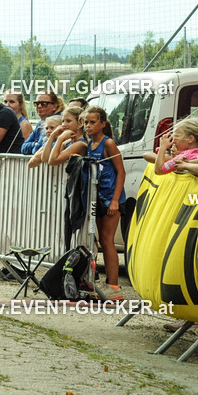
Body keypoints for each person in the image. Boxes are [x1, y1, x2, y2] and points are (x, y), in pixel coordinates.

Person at [53, 106, 126, 299]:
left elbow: (121, 171)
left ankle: (114, 287)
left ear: (103, 123)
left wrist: (115, 201)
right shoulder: (89, 144)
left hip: (110, 197)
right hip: (96, 198)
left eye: (93, 122)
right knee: (97, 240)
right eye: (86, 122)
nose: (88, 126)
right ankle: (94, 281)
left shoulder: (108, 143)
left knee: (107, 240)